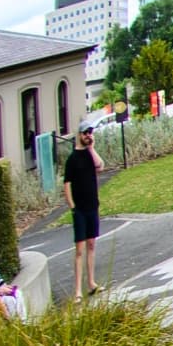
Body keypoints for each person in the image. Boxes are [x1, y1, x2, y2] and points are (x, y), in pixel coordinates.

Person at [61, 121, 107, 299]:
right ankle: (78, 290)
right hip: (79, 209)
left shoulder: (90, 155)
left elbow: (100, 166)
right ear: (80, 135)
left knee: (91, 244)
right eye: (86, 133)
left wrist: (92, 148)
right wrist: (72, 205)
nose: (89, 135)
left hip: (92, 206)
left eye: (91, 133)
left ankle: (91, 283)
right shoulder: (72, 159)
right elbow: (67, 183)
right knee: (79, 249)